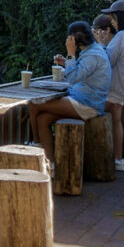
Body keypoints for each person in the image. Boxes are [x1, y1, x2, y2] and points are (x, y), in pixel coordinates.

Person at [29, 21, 111, 165]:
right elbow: (81, 72)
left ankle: (36, 143)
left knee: (34, 104)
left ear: (74, 39)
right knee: (43, 119)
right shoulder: (92, 50)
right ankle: (50, 164)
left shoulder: (93, 55)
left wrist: (70, 54)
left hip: (87, 104)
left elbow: (73, 78)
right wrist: (66, 62)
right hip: (83, 100)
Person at [101, 0, 124, 171]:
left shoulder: (121, 36)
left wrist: (100, 44)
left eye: (112, 17)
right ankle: (119, 160)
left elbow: (105, 62)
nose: (111, 21)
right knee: (116, 121)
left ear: (120, 17)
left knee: (79, 105)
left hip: (113, 91)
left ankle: (97, 160)